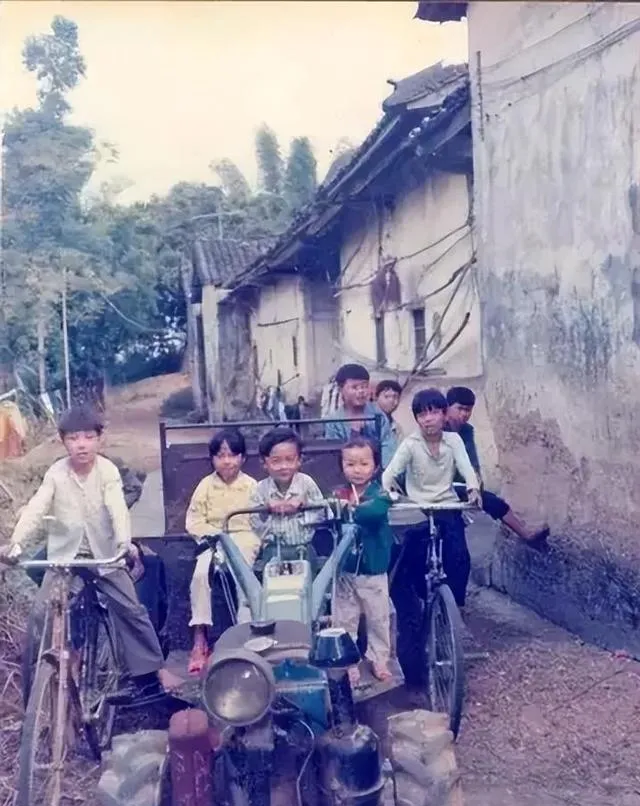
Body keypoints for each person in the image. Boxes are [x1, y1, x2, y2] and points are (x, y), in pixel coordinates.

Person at [0, 406, 166, 702]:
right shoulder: (56, 473)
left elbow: (117, 508)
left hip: (104, 554)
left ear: (99, 439)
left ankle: (148, 676)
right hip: (65, 557)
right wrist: (16, 542)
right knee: (40, 612)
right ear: (63, 441)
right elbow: (37, 507)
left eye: (89, 437)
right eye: (74, 438)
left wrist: (123, 542)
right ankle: (41, 681)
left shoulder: (107, 471)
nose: (81, 445)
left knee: (130, 608)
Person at [381, 388, 481, 609]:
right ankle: (419, 601)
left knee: (459, 558)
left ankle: (456, 609)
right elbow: (389, 474)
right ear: (417, 419)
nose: (428, 419)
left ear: (444, 415)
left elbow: (466, 468)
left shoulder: (454, 440)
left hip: (447, 504)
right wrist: (390, 492)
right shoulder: (410, 444)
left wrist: (473, 489)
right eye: (422, 414)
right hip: (418, 508)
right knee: (413, 560)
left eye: (434, 412)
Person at [185, 428, 260, 674]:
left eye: (232, 455)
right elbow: (194, 521)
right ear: (213, 459)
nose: (227, 461)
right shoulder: (205, 486)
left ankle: (246, 636)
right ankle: (200, 639)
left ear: (242, 458)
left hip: (244, 537)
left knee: (243, 575)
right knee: (200, 575)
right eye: (220, 456)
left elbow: (259, 521)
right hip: (214, 538)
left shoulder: (252, 486)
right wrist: (213, 536)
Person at [445, 386, 550, 546]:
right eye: (460, 409)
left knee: (492, 500)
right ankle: (526, 534)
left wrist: (476, 484)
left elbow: (473, 462)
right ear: (447, 407)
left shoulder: (466, 430)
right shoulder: (438, 430)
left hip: (461, 484)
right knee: (492, 502)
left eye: (468, 410)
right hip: (440, 484)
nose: (464, 414)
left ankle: (519, 531)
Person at [333, 437, 394, 685]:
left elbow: (374, 512)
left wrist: (349, 509)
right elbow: (329, 512)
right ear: (342, 467)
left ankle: (379, 659)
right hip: (346, 568)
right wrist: (338, 505)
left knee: (378, 617)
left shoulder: (381, 494)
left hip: (373, 568)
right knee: (344, 618)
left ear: (375, 467)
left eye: (364, 464)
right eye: (350, 464)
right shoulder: (338, 494)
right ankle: (348, 662)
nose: (357, 470)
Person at [250, 427, 325, 561]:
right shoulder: (261, 488)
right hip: (272, 549)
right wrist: (266, 509)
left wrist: (303, 507)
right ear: (264, 463)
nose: (284, 466)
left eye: (290, 459)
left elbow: (322, 513)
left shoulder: (307, 483)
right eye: (276, 461)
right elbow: (254, 521)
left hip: (303, 546)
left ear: (299, 460)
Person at [324, 364, 395, 468]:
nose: (361, 391)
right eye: (355, 387)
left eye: (364, 386)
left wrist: (381, 472)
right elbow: (333, 456)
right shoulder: (333, 421)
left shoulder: (378, 415)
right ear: (341, 389)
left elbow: (388, 448)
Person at [375, 379, 403, 448]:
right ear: (376, 397)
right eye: (386, 396)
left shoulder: (397, 428)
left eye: (395, 397)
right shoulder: (368, 421)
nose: (391, 400)